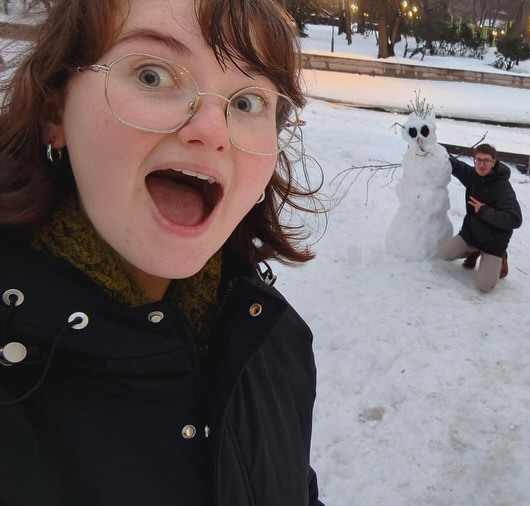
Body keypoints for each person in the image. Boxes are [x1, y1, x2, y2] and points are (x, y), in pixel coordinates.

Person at [0, 1, 324, 505]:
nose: (212, 131)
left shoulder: (272, 341)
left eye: (246, 102)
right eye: (152, 75)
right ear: (54, 110)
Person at [438, 143, 522, 293]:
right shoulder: (473, 176)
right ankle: (474, 251)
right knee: (443, 253)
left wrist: (484, 210)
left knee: (484, 286)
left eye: (486, 160)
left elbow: (515, 219)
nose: (482, 164)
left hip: (492, 244)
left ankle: (501, 257)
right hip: (471, 236)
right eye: (478, 160)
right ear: (474, 160)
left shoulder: (503, 187)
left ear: (493, 162)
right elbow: (456, 165)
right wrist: (431, 145)